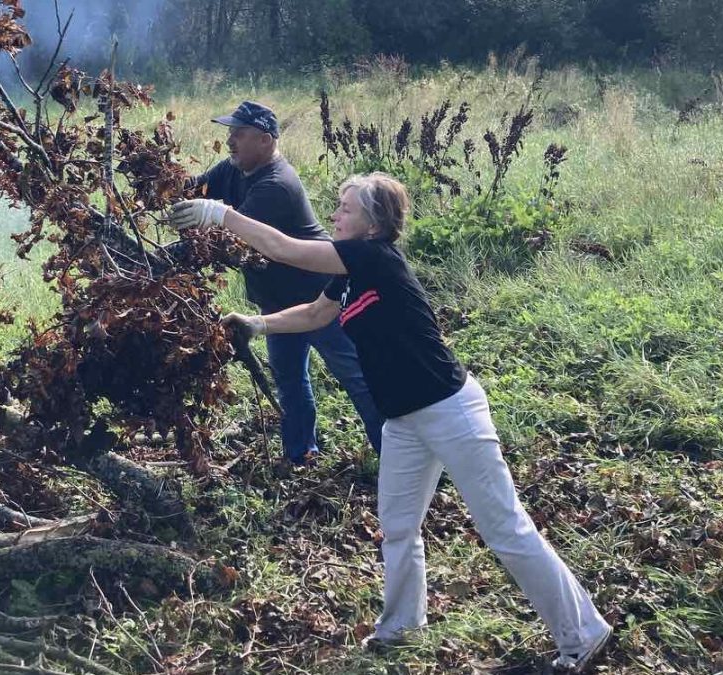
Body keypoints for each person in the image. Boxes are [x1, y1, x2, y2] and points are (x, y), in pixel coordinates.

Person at [170, 173, 612, 671]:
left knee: (505, 528)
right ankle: (402, 624)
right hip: (402, 420)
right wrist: (258, 323)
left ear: (373, 224)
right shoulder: (349, 270)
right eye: (336, 206)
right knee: (399, 527)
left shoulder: (373, 258)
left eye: (346, 209)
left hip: (448, 408)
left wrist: (219, 215)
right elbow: (317, 314)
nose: (335, 215)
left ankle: (583, 634)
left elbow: (285, 248)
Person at [190, 100, 382, 463]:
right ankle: (301, 456)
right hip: (277, 304)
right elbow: (192, 189)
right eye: (229, 132)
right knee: (290, 381)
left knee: (356, 378)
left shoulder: (277, 184)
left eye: (240, 134)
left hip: (322, 299)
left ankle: (396, 454)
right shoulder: (233, 168)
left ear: (265, 141)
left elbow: (225, 241)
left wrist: (166, 255)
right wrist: (152, 186)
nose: (230, 141)